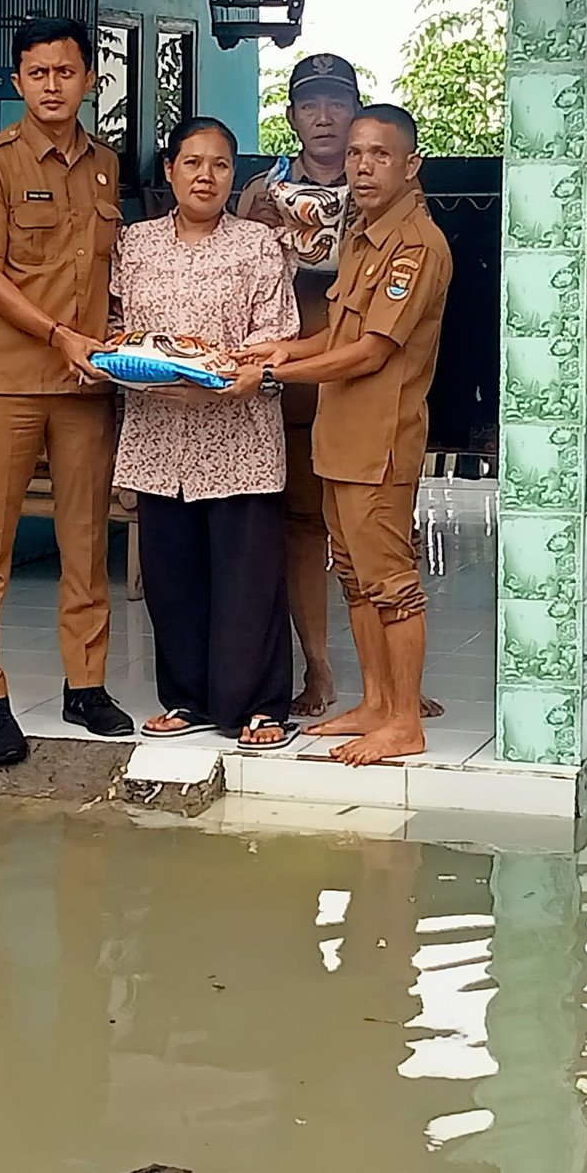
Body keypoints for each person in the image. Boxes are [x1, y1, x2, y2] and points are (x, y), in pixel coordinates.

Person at [234, 106, 452, 767]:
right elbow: (341, 333)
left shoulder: (416, 245)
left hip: (379, 441)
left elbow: (371, 352)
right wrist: (285, 346)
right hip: (339, 435)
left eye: (380, 154)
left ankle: (405, 721)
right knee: (355, 578)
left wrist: (276, 370)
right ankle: (375, 704)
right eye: (356, 153)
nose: (362, 166)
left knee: (392, 583)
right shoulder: (362, 234)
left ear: (410, 165)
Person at [0, 17, 133, 766]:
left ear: (89, 80)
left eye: (66, 72)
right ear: (19, 82)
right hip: (9, 383)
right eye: (38, 74)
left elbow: (107, 272)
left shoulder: (106, 165)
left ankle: (85, 686)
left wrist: (120, 337)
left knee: (85, 542)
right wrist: (60, 335)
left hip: (85, 387)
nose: (53, 86)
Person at [111, 117, 302, 749]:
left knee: (248, 579)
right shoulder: (135, 243)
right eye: (192, 163)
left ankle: (261, 706)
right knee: (173, 577)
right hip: (159, 435)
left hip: (239, 438)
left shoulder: (257, 245)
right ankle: (186, 699)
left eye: (220, 165)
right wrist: (125, 361)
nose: (206, 176)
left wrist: (224, 374)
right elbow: (117, 325)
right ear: (170, 171)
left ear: (232, 176)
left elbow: (278, 336)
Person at [234, 54, 358, 720]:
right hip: (286, 385)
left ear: (355, 113)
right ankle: (318, 668)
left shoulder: (381, 182)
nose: (324, 117)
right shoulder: (264, 191)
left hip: (361, 379)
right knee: (301, 532)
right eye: (310, 104)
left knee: (372, 533)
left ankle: (397, 678)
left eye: (336, 103)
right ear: (292, 117)